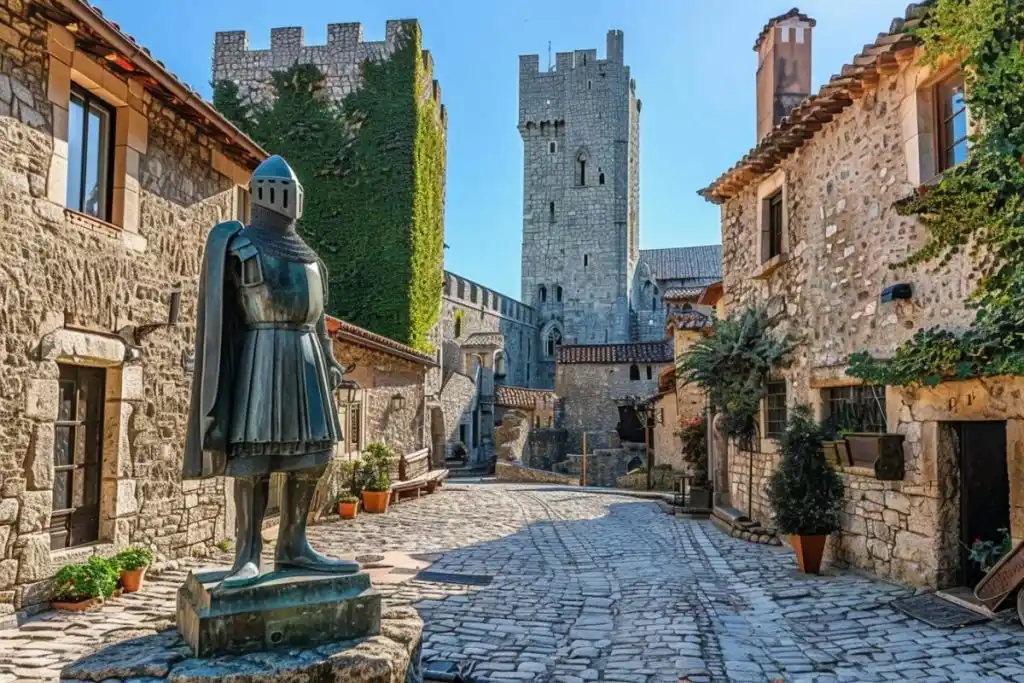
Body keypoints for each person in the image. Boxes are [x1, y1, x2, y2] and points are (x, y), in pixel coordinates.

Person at [183, 155, 359, 588]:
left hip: (307, 358)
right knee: (254, 457)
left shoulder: (313, 260)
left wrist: (330, 360)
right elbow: (224, 315)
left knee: (314, 455)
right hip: (261, 354)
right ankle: (247, 554)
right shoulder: (240, 245)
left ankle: (294, 545)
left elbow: (319, 320)